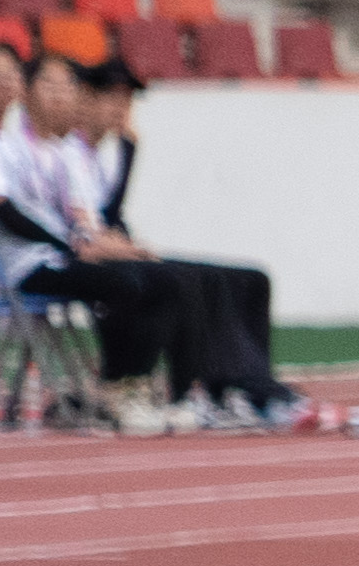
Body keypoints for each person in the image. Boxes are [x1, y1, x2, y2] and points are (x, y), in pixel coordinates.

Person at [35, 49, 318, 431]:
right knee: (182, 280)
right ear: (86, 100)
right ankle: (197, 393)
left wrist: (130, 154)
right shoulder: (69, 155)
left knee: (251, 279)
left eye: (128, 99)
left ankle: (253, 384)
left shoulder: (99, 157)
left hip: (110, 252)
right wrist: (129, 246)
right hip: (82, 260)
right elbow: (88, 232)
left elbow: (112, 216)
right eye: (112, 97)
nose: (122, 107)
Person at [0, 38, 188, 432]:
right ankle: (117, 390)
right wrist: (71, 246)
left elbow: (76, 214)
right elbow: (3, 213)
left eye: (10, 75)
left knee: (160, 278)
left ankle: (130, 387)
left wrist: (94, 243)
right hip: (23, 266)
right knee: (128, 283)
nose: (4, 83)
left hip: (56, 255)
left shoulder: (20, 145)